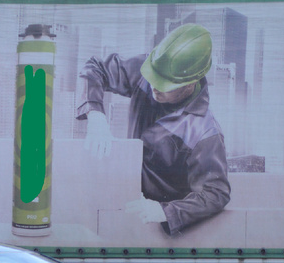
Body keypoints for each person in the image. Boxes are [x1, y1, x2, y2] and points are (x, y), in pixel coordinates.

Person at [77, 23, 231, 236]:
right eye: (154, 78)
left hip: (157, 228)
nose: (155, 87)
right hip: (120, 204)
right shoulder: (149, 70)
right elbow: (95, 68)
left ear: (191, 83)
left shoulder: (205, 132)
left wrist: (166, 211)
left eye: (166, 84)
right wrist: (95, 114)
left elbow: (215, 194)